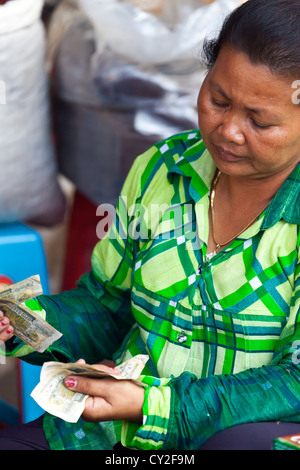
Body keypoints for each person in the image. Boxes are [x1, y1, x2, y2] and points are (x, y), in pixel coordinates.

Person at [1, 0, 300, 450]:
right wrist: (23, 320)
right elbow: (108, 306)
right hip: (115, 434)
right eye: (218, 99)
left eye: (260, 121)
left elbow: (293, 382)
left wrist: (152, 405)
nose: (228, 130)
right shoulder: (162, 171)